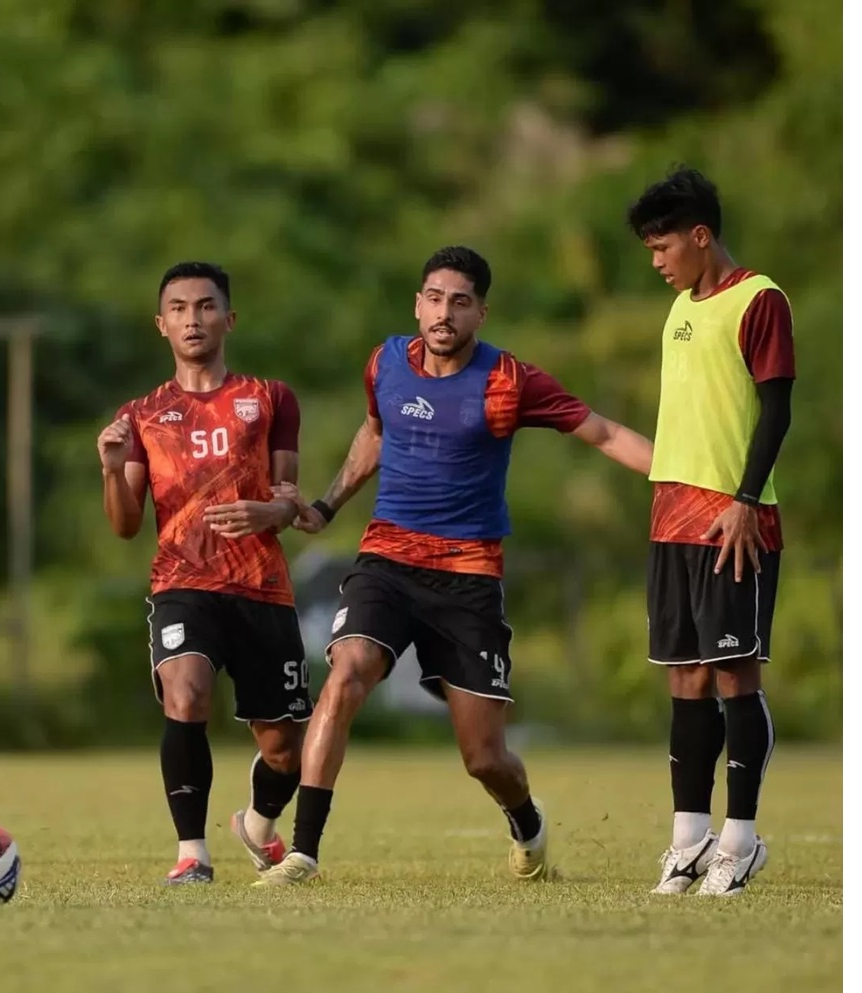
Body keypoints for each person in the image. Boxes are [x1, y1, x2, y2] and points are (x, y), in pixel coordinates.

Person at [252, 245, 654, 887]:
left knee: (485, 758)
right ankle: (304, 853)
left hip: (468, 577)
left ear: (480, 313)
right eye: (435, 299)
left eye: (460, 302)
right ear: (418, 304)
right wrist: (326, 505)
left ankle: (526, 822)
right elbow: (374, 432)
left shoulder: (510, 381)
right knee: (346, 673)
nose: (444, 313)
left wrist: (686, 477)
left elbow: (604, 433)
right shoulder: (386, 362)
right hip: (386, 560)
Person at [97, 261, 313, 885]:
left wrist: (270, 511)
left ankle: (258, 822)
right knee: (186, 694)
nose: (192, 319)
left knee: (284, 750)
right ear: (160, 324)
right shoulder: (141, 415)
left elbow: (290, 500)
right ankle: (192, 853)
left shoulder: (271, 398)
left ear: (229, 318)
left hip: (262, 586)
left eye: (205, 306)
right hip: (182, 583)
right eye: (179, 308)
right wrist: (111, 469)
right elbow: (125, 524)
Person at [627, 167, 795, 896]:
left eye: (663, 247)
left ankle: (740, 840)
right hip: (672, 518)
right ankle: (688, 839)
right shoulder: (678, 308)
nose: (657, 262)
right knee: (685, 675)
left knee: (734, 674)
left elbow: (776, 409)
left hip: (735, 520)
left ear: (700, 236)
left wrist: (745, 499)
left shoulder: (760, 300)